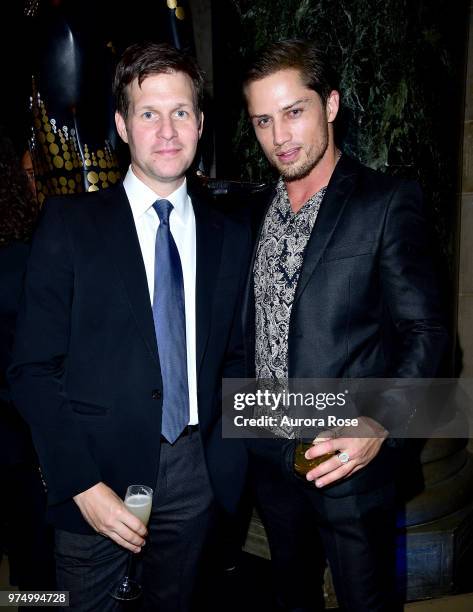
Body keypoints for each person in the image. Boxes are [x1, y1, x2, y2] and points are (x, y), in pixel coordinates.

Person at [8, 41, 250, 611]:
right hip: (97, 474)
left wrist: (224, 470)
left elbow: (235, 358)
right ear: (121, 125)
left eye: (181, 112)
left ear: (200, 122)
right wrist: (80, 484)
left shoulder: (231, 236)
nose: (167, 129)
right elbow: (31, 371)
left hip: (196, 475)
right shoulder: (69, 226)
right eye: (148, 113)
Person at [241, 39, 449, 611]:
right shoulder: (255, 210)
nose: (279, 137)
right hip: (271, 463)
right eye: (263, 120)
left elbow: (429, 334)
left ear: (330, 104)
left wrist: (378, 423)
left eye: (294, 111)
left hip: (351, 464)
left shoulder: (386, 202)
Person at [0, 129, 55, 594]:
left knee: (30, 560)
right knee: (32, 558)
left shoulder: (25, 257)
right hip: (19, 433)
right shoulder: (26, 257)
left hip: (17, 434)